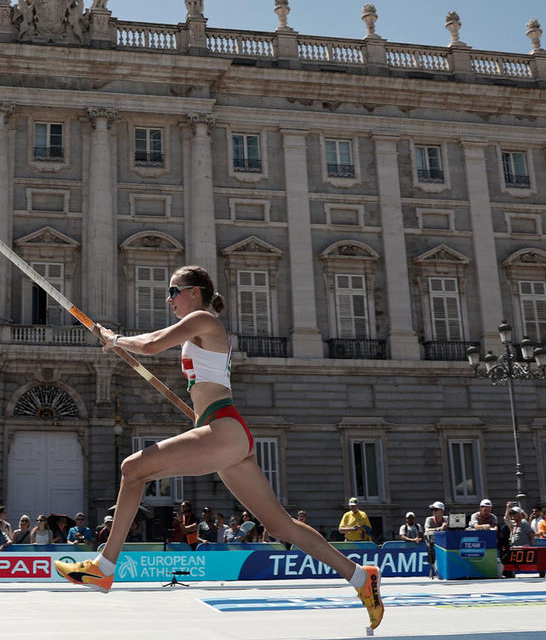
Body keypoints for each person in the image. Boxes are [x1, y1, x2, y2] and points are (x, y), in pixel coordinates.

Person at [54, 265, 382, 630]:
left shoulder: (203, 320)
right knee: (280, 526)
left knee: (133, 469)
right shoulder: (201, 329)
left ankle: (105, 567)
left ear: (194, 292)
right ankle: (359, 577)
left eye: (174, 291)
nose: (169, 299)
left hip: (224, 429)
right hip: (225, 430)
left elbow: (149, 345)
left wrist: (114, 339)